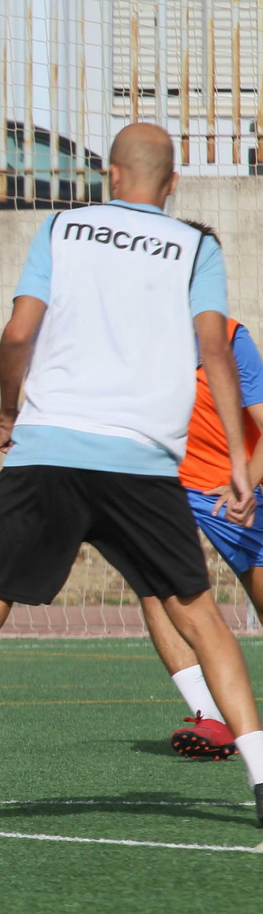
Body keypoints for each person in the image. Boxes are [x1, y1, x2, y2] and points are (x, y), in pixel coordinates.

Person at [0, 123, 263, 830]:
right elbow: (214, 347)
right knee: (203, 620)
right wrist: (241, 465)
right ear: (172, 184)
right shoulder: (196, 247)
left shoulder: (63, 228)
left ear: (112, 176)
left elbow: (19, 334)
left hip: (50, 450)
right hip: (144, 462)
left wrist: (7, 412)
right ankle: (262, 780)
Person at [131, 306, 263, 760]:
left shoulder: (228, 338)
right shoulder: (135, 335)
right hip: (167, 485)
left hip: (232, 485)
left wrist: (246, 481)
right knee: (155, 588)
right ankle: (211, 717)